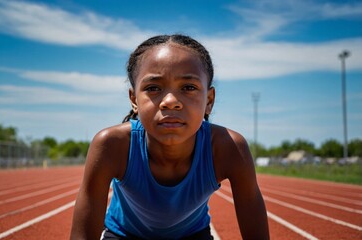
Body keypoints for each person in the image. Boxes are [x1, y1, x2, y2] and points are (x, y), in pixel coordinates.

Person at [70, 34, 269, 239]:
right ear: (134, 100)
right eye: (153, 88)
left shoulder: (228, 148)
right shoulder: (112, 145)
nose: (171, 101)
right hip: (123, 234)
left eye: (188, 88)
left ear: (209, 100)